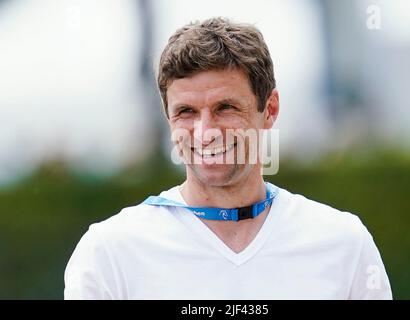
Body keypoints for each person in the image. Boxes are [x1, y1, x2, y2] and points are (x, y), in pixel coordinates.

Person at [64, 17, 392, 300]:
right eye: (186, 112)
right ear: (168, 117)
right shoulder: (108, 253)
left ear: (270, 110)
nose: (205, 132)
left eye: (226, 108)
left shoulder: (343, 243)